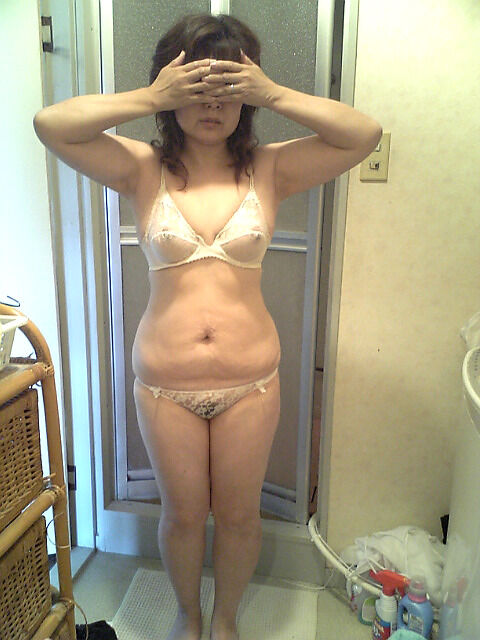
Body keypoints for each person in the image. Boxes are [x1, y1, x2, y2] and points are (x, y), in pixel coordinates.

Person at [34, 13, 381, 640]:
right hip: (164, 385)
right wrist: (150, 97)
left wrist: (273, 92)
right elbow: (50, 124)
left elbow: (364, 133)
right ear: (173, 90)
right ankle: (188, 616)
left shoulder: (271, 169)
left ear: (246, 97)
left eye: (227, 88)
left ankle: (225, 621)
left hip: (252, 382)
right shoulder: (142, 168)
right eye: (197, 87)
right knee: (183, 516)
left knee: (241, 517)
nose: (212, 104)